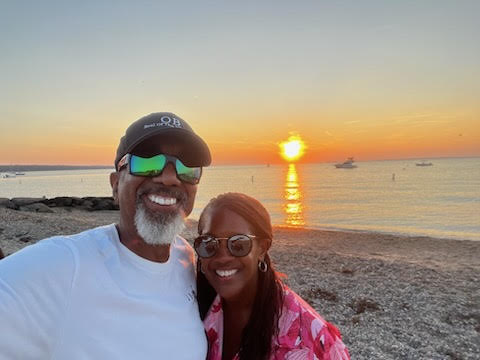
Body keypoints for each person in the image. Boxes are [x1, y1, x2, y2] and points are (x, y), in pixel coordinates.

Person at [0, 112, 211, 359]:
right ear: (115, 184)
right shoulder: (64, 265)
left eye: (187, 168)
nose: (169, 178)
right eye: (146, 162)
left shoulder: (185, 256)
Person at [195, 193, 350, 360]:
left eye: (238, 244)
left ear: (262, 248)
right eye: (209, 243)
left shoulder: (305, 341)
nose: (223, 257)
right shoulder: (192, 306)